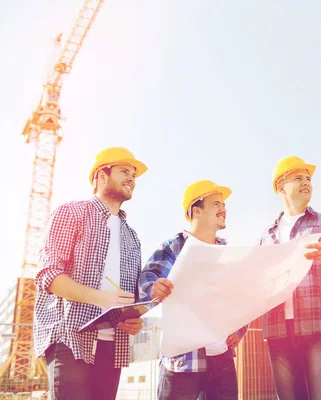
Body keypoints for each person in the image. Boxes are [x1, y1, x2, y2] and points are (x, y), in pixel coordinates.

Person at [34, 147, 148, 400]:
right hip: (70, 338)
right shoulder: (71, 212)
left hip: (113, 344)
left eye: (134, 175)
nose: (131, 178)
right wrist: (101, 298)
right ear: (101, 176)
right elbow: (49, 275)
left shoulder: (132, 236)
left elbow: (132, 296)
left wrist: (134, 319)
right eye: (124, 171)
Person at [259, 156, 321, 400]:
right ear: (281, 187)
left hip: (318, 330)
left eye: (308, 179)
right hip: (277, 333)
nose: (307, 183)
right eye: (298, 178)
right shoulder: (267, 236)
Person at [138, 180, 247, 400]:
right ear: (197, 210)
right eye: (216, 203)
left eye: (224, 204)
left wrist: (239, 330)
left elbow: (242, 297)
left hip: (222, 361)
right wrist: (154, 288)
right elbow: (146, 282)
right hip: (182, 361)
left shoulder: (229, 252)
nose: (223, 209)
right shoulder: (173, 247)